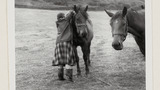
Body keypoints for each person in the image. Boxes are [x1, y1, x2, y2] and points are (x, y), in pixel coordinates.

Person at [52, 11, 76, 82]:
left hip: (58, 43)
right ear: (63, 17)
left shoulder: (58, 23)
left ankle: (60, 77)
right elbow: (71, 12)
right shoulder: (65, 20)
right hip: (66, 42)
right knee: (68, 60)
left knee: (61, 61)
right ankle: (69, 78)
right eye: (64, 16)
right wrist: (70, 12)